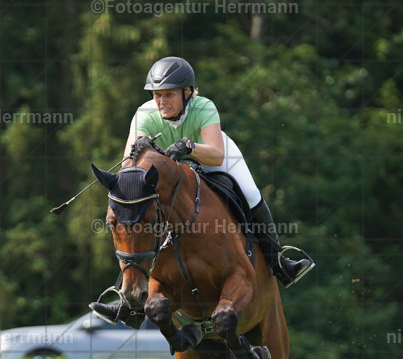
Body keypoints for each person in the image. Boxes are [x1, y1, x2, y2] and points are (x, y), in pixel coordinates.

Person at [90, 56, 314, 325]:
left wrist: (188, 147)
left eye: (169, 95)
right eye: (157, 95)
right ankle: (126, 299)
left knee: (251, 193)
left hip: (212, 160)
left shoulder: (203, 107)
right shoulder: (145, 114)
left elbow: (216, 154)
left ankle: (279, 262)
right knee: (132, 214)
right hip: (170, 177)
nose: (161, 102)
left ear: (187, 93)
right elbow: (128, 167)